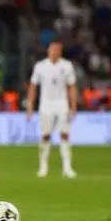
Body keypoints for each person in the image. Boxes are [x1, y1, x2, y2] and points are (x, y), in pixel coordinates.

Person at [27, 41, 78, 178]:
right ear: (48, 51)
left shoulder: (67, 66)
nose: (55, 52)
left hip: (62, 103)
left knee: (65, 134)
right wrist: (30, 105)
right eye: (53, 49)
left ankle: (67, 167)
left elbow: (71, 86)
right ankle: (43, 167)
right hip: (46, 104)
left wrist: (73, 105)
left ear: (60, 52)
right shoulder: (40, 66)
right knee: (45, 135)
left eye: (58, 50)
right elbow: (33, 86)